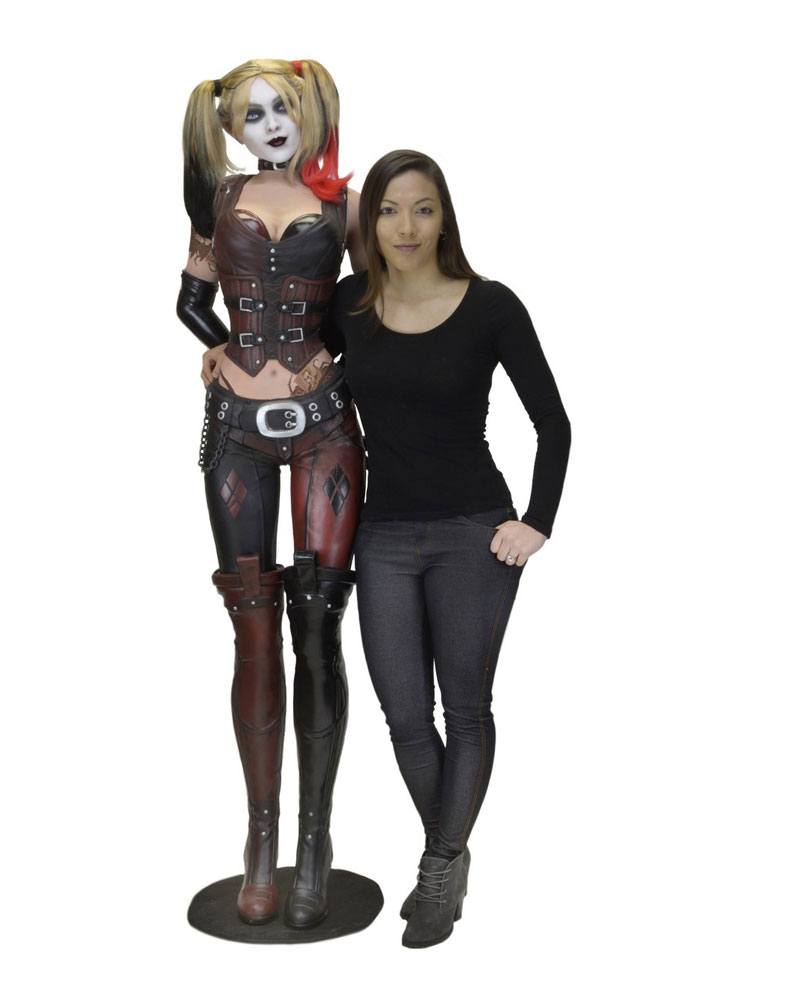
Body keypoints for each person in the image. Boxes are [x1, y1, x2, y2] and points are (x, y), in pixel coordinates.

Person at [322, 150, 571, 947]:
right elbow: (289, 355)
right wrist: (222, 350)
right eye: (388, 210)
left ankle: (436, 869)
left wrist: (538, 521)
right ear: (369, 223)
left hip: (473, 532)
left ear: (444, 218)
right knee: (403, 715)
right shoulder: (348, 305)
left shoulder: (492, 305)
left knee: (465, 710)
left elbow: (553, 423)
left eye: (422, 208)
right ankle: (451, 850)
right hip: (383, 536)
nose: (405, 226)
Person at [177, 58, 365, 929]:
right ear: (231, 126)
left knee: (317, 627)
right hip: (237, 426)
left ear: (308, 109)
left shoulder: (344, 204)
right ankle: (261, 840)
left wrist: (338, 360)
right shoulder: (217, 200)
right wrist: (216, 347)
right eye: (254, 114)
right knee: (253, 629)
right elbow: (191, 301)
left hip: (325, 424)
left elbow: (367, 307)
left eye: (282, 108)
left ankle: (314, 843)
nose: (272, 124)